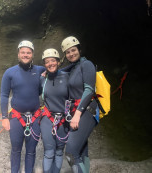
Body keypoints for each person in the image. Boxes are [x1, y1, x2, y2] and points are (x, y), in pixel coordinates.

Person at [0, 40, 45, 173]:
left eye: (28, 52)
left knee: (31, 151)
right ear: (18, 54)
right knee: (16, 150)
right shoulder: (10, 73)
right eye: (23, 52)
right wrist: (4, 117)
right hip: (16, 117)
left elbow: (57, 69)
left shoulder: (40, 70)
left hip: (35, 117)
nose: (25, 55)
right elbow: (3, 95)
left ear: (32, 54)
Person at [61, 36, 99, 173]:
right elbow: (59, 72)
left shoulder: (87, 64)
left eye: (73, 50)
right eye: (68, 52)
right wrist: (45, 73)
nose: (71, 54)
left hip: (86, 110)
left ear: (79, 49)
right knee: (81, 152)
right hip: (77, 111)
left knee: (71, 153)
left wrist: (77, 114)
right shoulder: (72, 68)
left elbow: (89, 90)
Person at [40, 48, 70, 173]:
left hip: (63, 119)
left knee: (59, 151)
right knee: (49, 151)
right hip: (48, 119)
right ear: (44, 65)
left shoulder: (67, 77)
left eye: (53, 60)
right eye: (47, 62)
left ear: (58, 62)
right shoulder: (43, 79)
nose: (50, 64)